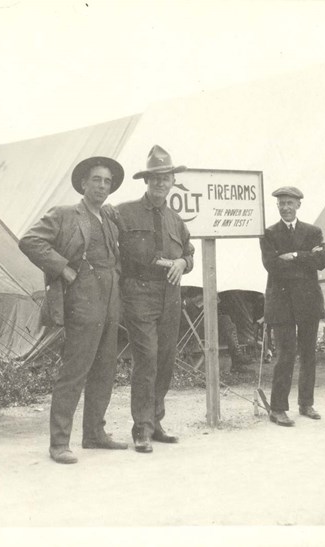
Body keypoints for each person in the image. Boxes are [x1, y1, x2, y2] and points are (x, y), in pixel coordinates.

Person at [18, 156, 128, 464]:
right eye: (96, 179)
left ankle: (94, 434)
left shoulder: (109, 217)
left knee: (105, 368)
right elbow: (30, 241)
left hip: (110, 298)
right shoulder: (65, 214)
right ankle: (59, 443)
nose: (102, 186)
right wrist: (63, 269)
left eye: (107, 181)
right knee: (74, 371)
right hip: (82, 299)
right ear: (83, 183)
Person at [113, 145, 195, 453]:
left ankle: (156, 422)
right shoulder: (123, 212)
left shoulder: (176, 220)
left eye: (166, 178)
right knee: (146, 357)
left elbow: (189, 252)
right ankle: (142, 429)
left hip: (170, 295)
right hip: (139, 293)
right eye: (155, 179)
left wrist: (181, 264)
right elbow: (114, 250)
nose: (161, 184)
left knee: (165, 359)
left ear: (172, 182)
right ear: (146, 181)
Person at [259, 186, 325, 426]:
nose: (286, 207)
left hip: (308, 302)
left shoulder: (313, 231)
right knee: (286, 354)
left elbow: (323, 261)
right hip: (282, 304)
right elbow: (272, 265)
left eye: (290, 203)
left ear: (299, 205)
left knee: (308, 354)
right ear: (277, 206)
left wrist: (295, 256)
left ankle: (306, 403)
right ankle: (278, 408)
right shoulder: (268, 234)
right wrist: (306, 259)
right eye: (282, 203)